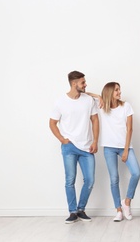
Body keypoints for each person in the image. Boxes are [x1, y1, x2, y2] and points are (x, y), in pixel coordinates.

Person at [49, 71, 99, 224]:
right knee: (70, 180)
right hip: (69, 146)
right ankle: (72, 211)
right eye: (82, 82)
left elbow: (95, 120)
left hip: (87, 147)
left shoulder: (88, 100)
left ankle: (81, 209)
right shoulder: (60, 102)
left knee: (89, 180)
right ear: (74, 83)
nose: (85, 84)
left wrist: (95, 141)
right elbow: (52, 123)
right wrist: (62, 139)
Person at [87, 82, 140, 222]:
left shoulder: (126, 106)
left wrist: (125, 150)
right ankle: (118, 210)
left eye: (119, 89)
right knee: (114, 179)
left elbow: (130, 129)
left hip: (125, 147)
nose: (119, 92)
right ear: (110, 92)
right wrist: (98, 96)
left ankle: (127, 202)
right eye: (116, 90)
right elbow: (87, 95)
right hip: (109, 148)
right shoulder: (103, 107)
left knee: (136, 173)